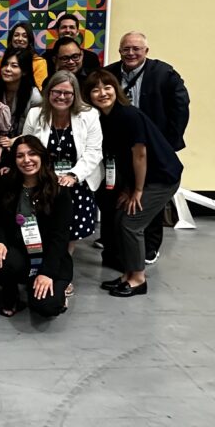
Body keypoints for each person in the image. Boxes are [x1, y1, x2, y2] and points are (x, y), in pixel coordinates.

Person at [83, 70, 183, 298]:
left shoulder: (128, 115)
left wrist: (137, 190)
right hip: (140, 179)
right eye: (95, 89)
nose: (102, 93)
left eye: (107, 87)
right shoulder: (104, 119)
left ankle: (138, 279)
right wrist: (128, 189)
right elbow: (120, 158)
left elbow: (140, 154)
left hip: (161, 177)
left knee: (131, 222)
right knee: (120, 217)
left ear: (115, 89)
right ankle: (127, 274)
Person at [105, 31, 190, 263]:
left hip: (153, 147)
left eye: (136, 49)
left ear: (146, 51)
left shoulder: (163, 73)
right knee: (124, 197)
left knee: (148, 202)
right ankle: (121, 247)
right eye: (125, 49)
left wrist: (169, 142)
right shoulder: (110, 73)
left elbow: (181, 105)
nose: (130, 53)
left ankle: (150, 247)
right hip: (124, 150)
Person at [22, 71, 103, 295]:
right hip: (42, 181)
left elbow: (94, 153)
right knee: (43, 228)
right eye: (56, 91)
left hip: (77, 182)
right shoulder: (35, 114)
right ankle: (41, 269)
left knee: (67, 233)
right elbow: (26, 144)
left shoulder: (89, 115)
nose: (61, 96)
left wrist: (73, 175)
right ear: (48, 93)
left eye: (67, 92)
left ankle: (60, 272)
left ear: (75, 94)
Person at [0, 135, 72, 317]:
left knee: (47, 307)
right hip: (20, 254)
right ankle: (11, 293)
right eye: (20, 156)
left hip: (50, 257)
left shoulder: (59, 190)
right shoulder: (4, 183)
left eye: (32, 154)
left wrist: (47, 273)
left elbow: (60, 236)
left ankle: (57, 290)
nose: (26, 160)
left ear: (41, 156)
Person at [0, 46, 42, 142]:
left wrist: (15, 141)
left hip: (23, 142)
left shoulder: (35, 96)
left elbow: (37, 129)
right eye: (5, 64)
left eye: (14, 66)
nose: (7, 69)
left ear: (24, 71)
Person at [5, 22, 47, 86]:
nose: (20, 39)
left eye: (25, 36)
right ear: (11, 39)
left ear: (29, 40)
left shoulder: (39, 62)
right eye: (16, 35)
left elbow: (39, 88)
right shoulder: (1, 61)